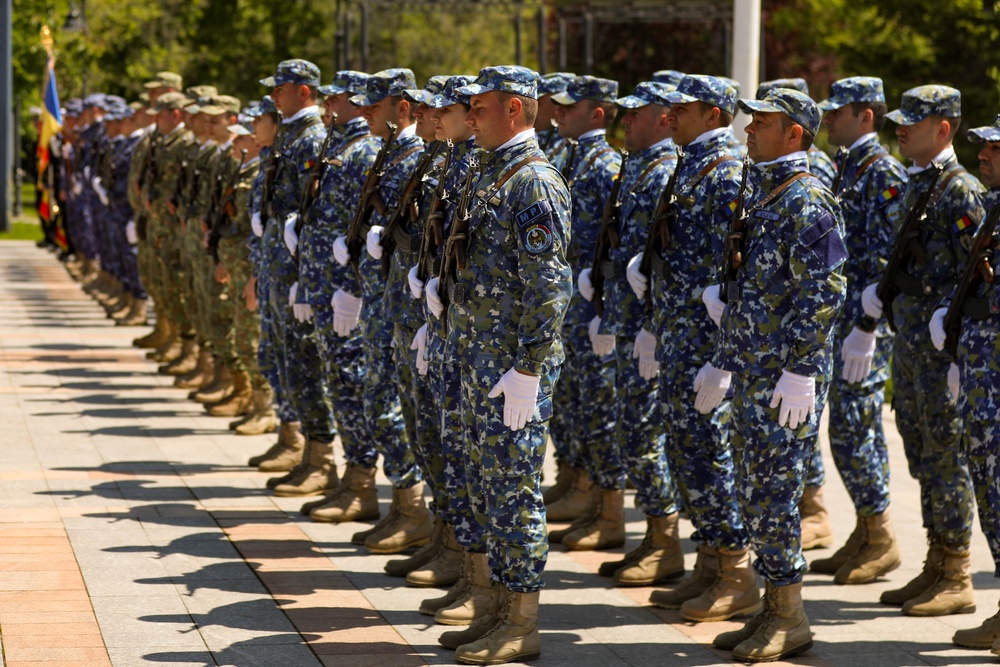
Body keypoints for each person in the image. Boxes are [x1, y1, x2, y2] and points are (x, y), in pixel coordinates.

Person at [425, 65, 572, 665]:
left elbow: (549, 289)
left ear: (513, 108)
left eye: (480, 106)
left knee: (513, 493)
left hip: (511, 372)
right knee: (484, 489)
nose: (471, 115)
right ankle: (491, 607)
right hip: (474, 361)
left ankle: (522, 621)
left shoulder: (533, 182)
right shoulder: (492, 172)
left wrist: (531, 369)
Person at [698, 88, 847, 662]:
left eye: (765, 122)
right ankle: (771, 604)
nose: (751, 129)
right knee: (756, 490)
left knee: (777, 492)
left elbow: (824, 290)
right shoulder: (764, 192)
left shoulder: (806, 199)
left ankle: (790, 615)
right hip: (756, 370)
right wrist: (728, 353)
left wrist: (802, 369)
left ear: (796, 135)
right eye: (752, 119)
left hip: (785, 375)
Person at [626, 74, 756, 614]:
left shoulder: (726, 172)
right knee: (686, 449)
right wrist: (654, 312)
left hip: (707, 343)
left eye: (685, 108)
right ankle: (708, 560)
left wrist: (724, 359)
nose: (671, 116)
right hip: (680, 333)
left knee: (711, 452)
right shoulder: (692, 165)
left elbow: (737, 270)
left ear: (714, 115)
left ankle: (736, 573)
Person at [862, 85, 983, 616]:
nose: (901, 128)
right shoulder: (919, 184)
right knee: (921, 454)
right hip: (910, 347)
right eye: (900, 120)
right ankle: (935, 562)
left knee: (946, 456)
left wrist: (958, 350)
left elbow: (978, 277)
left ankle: (957, 572)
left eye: (915, 121)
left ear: (945, 128)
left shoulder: (961, 191)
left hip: (941, 353)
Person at [567, 81, 679, 576]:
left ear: (665, 118)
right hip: (619, 313)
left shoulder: (664, 171)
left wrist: (649, 323)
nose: (625, 120)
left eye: (637, 113)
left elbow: (673, 258)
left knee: (643, 430)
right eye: (625, 113)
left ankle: (663, 538)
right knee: (623, 424)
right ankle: (624, 519)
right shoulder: (637, 167)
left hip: (647, 323)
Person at [809, 76, 907, 584]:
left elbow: (892, 255)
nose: (828, 120)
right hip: (845, 322)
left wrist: (870, 323)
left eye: (838, 112)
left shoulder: (883, 171)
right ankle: (867, 532)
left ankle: (881, 533)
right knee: (846, 430)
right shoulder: (848, 166)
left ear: (866, 116)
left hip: (865, 326)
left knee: (857, 428)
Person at [333, 68, 432, 553]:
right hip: (382, 301)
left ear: (404, 108)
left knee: (400, 410)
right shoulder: (392, 154)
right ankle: (404, 504)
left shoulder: (416, 158)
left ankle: (414, 510)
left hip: (406, 309)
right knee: (380, 402)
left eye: (377, 103)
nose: (366, 110)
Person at [256, 60, 338, 501]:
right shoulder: (289, 131)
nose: (274, 95)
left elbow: (309, 210)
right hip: (279, 263)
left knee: (305, 364)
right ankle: (306, 448)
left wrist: (302, 272)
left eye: (282, 88)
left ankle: (320, 457)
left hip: (295, 268)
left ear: (305, 92)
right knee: (285, 360)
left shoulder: (310, 136)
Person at [545, 75, 620, 533]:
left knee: (598, 404)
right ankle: (578, 484)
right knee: (572, 399)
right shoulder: (574, 156)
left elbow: (614, 243)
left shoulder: (604, 164)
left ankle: (607, 507)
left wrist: (606, 309)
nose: (559, 113)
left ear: (596, 113)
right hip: (572, 298)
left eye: (569, 108)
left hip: (592, 302)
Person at [937, 115, 1000, 653]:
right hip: (984, 380)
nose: (983, 153)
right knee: (991, 494)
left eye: (995, 148)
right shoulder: (994, 208)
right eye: (982, 145)